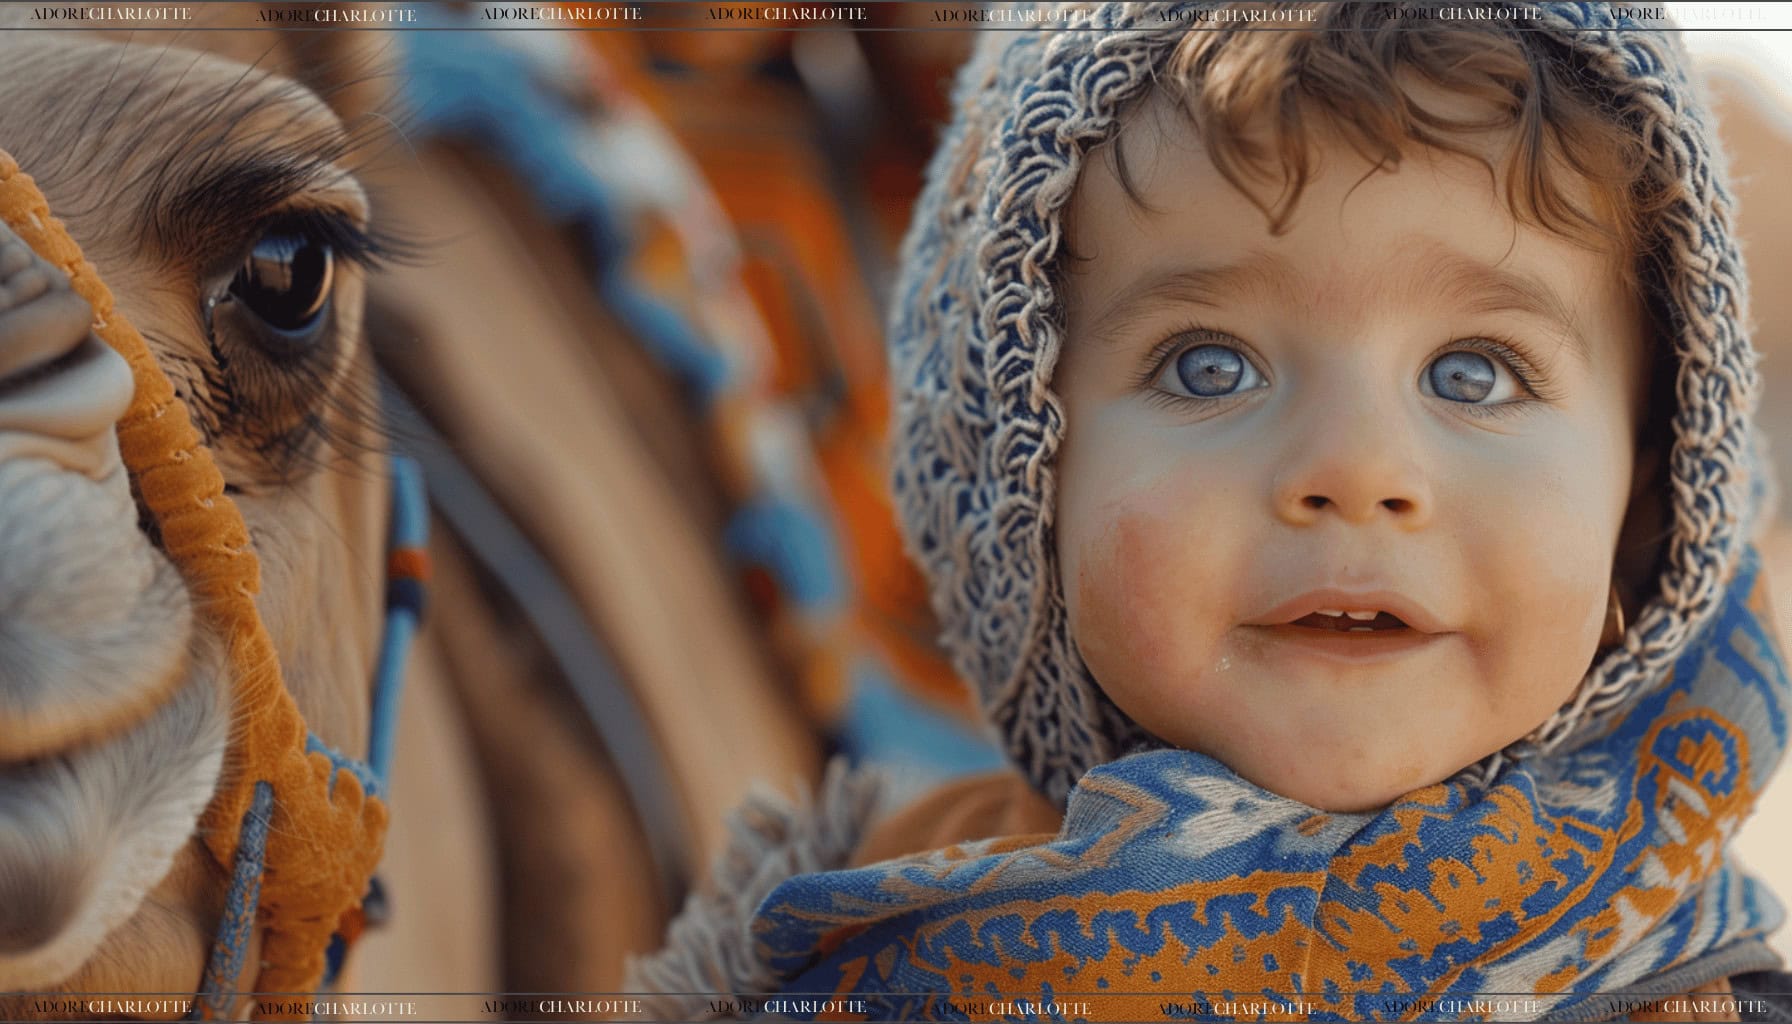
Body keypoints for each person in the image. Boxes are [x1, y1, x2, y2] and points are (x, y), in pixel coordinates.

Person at [631, 4, 1792, 1019]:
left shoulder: (1687, 993)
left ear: (1648, 503)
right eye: (1208, 366)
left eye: (1473, 372)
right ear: (1019, 474)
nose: (1354, 469)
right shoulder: (856, 950)